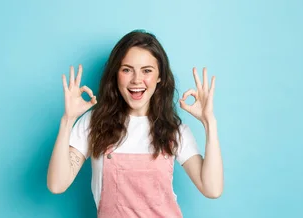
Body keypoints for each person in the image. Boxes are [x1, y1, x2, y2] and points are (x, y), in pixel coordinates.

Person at [47, 29, 223, 218]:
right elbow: (57, 184)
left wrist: (209, 123)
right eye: (126, 70)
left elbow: (211, 189)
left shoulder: (174, 130)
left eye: (147, 70)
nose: (137, 79)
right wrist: (68, 120)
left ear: (160, 77)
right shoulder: (94, 122)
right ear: (116, 75)